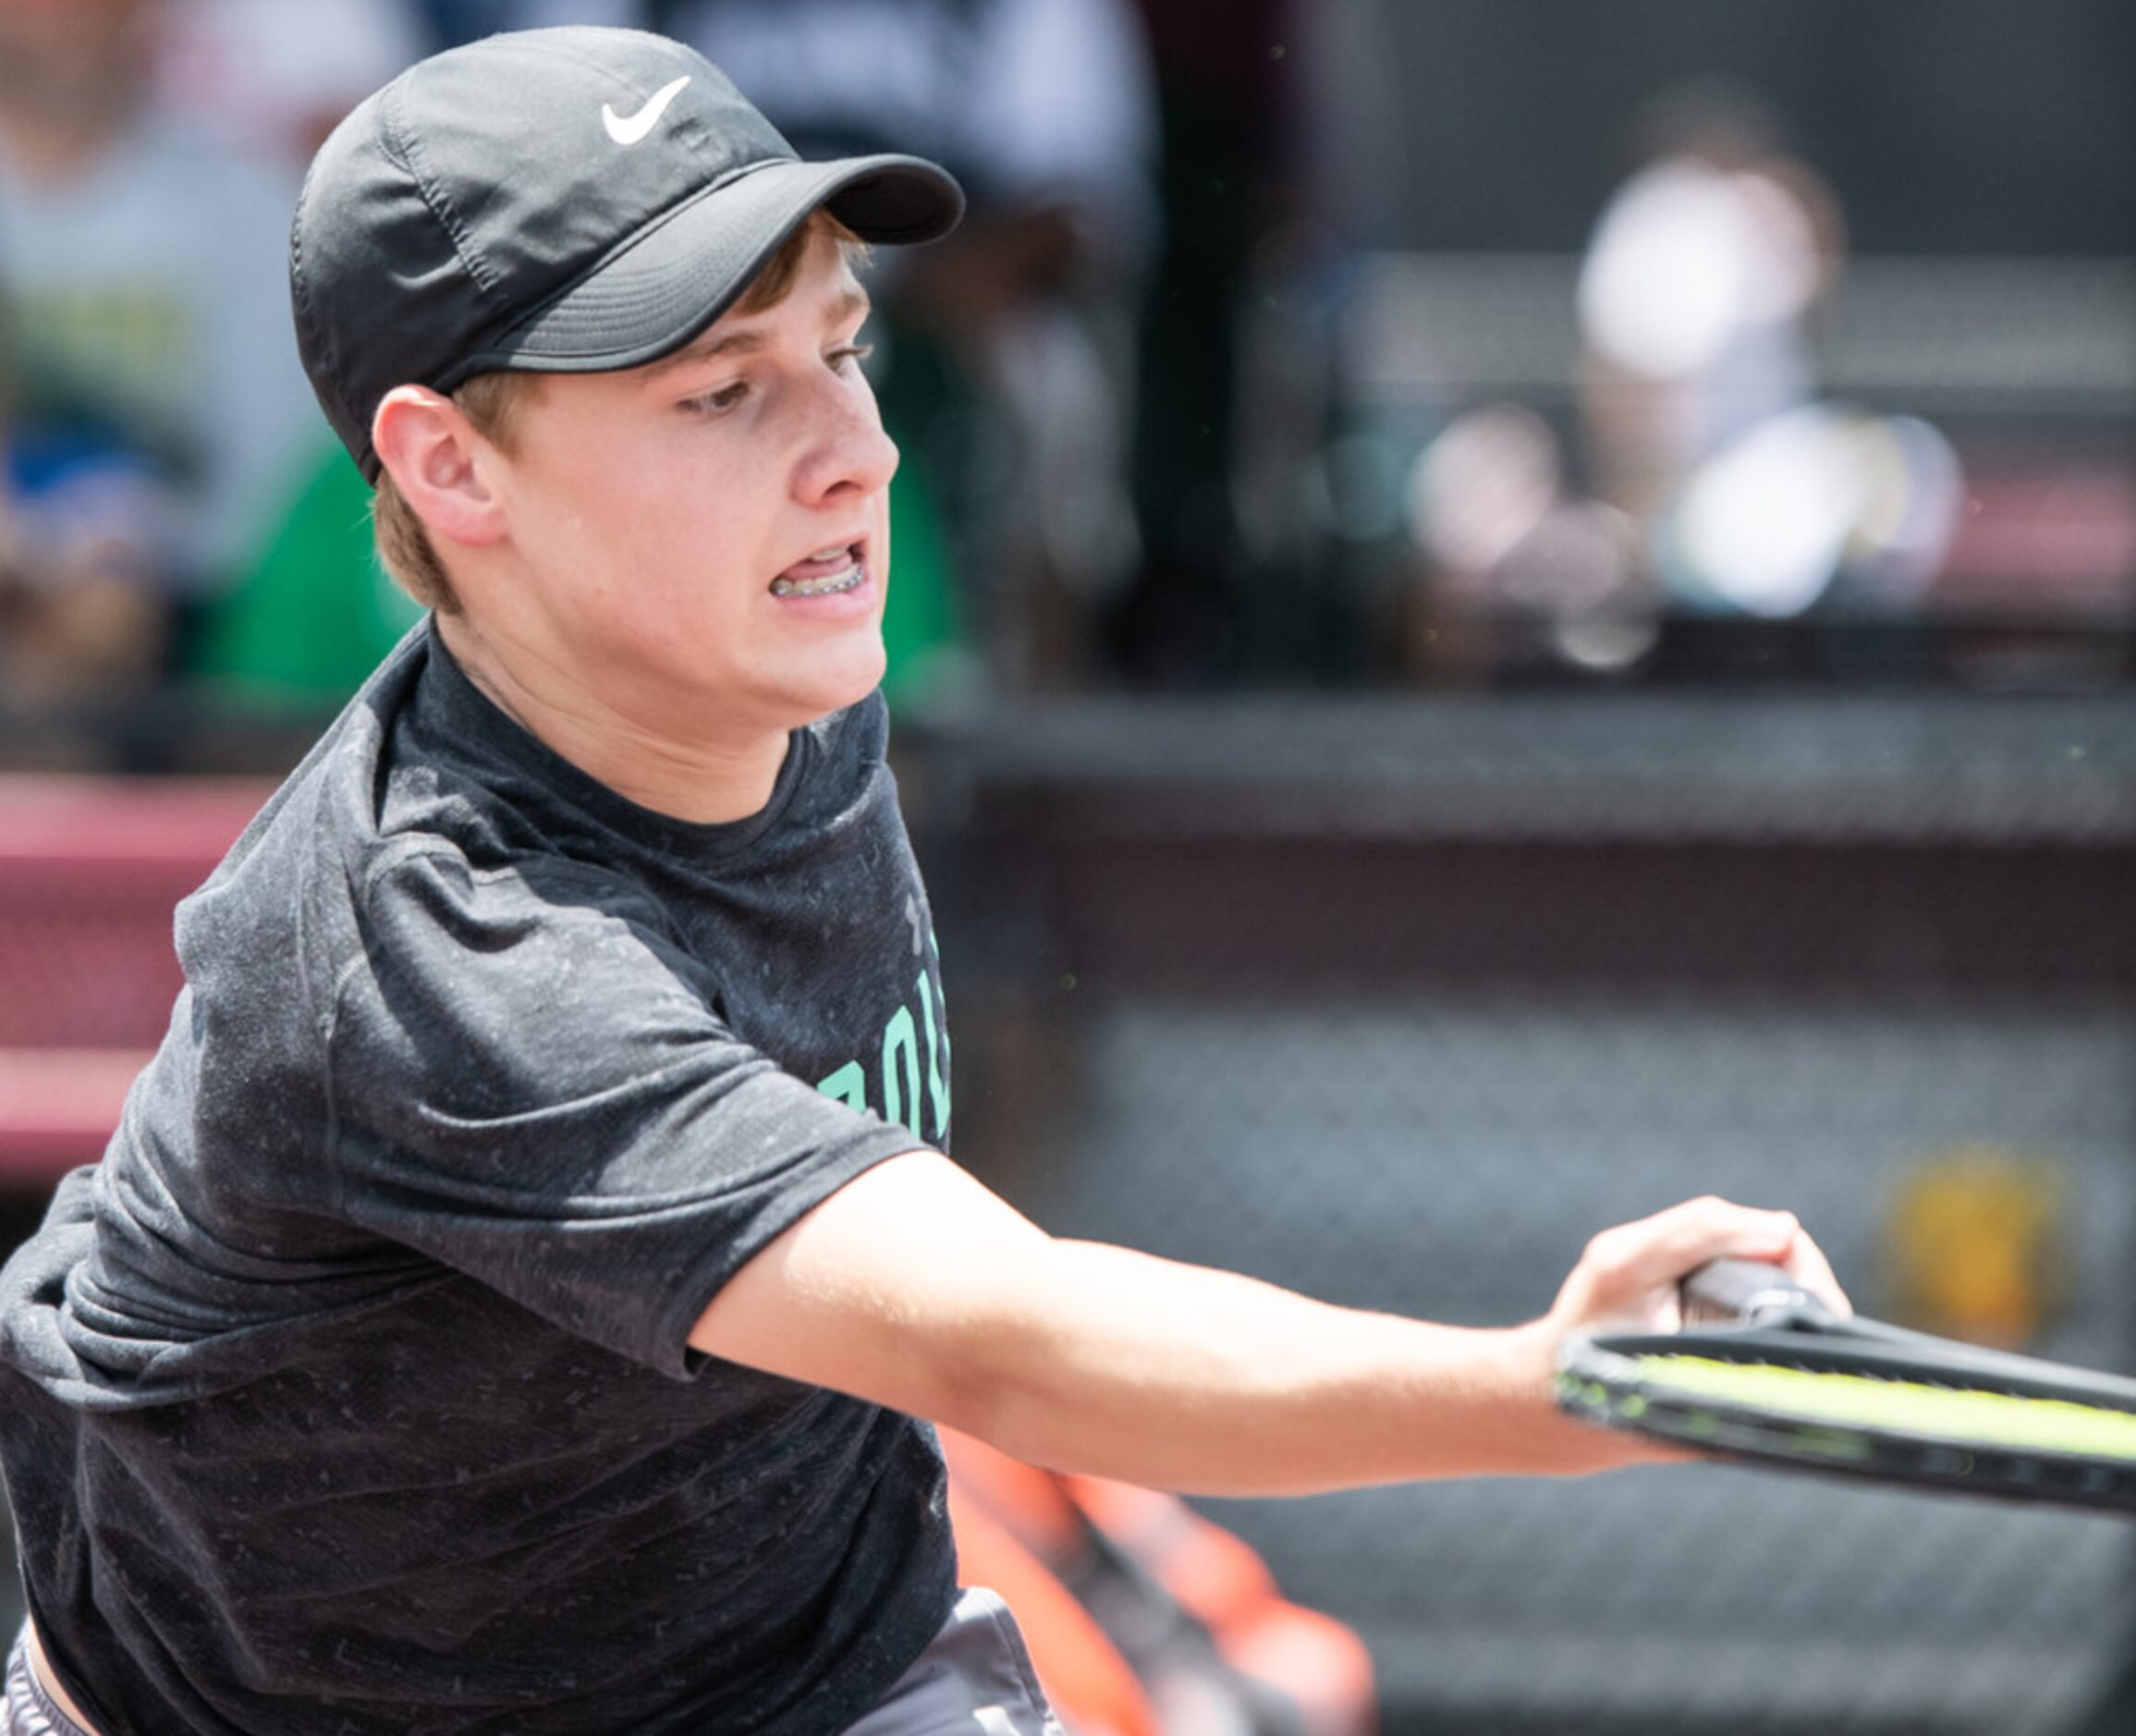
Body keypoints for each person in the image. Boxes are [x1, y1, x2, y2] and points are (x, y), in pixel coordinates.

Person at [0, 27, 1843, 1736]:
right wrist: (1549, 1386)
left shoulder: (780, 690)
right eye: (724, 391)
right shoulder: (453, 957)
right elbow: (1007, 1341)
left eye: (845, 348)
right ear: (451, 468)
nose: (857, 454)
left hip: (803, 1651)